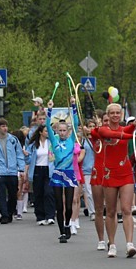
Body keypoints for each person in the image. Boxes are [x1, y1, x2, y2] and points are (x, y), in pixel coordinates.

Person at [92, 103, 136, 257]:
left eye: (117, 113)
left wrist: (134, 125)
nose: (114, 115)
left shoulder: (124, 128)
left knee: (127, 209)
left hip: (125, 172)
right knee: (111, 211)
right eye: (112, 113)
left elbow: (129, 130)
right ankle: (111, 243)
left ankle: (129, 244)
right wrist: (132, 135)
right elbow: (115, 135)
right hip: (109, 174)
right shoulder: (103, 130)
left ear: (121, 114)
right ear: (107, 114)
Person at [46, 98, 80, 243]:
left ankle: (67, 224)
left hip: (69, 174)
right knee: (59, 205)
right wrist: (48, 110)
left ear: (68, 131)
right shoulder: (54, 140)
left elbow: (76, 123)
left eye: (64, 130)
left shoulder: (72, 139)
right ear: (56, 131)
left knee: (69, 205)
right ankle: (62, 232)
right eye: (59, 130)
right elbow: (47, 126)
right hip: (57, 174)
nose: (62, 132)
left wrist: (73, 107)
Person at [0, 119, 26, 225]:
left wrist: (21, 169)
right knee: (1, 195)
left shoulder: (13, 140)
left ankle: (10, 211)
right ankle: (4, 215)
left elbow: (19, 154)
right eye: (3, 126)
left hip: (12, 171)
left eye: (6, 126)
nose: (5, 128)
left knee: (13, 194)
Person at [24, 125, 56, 225]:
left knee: (49, 192)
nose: (47, 133)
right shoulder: (33, 145)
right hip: (37, 169)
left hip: (48, 169)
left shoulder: (51, 143)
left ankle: (50, 215)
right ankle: (40, 216)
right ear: (40, 132)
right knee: (38, 193)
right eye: (46, 131)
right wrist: (26, 155)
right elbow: (28, 160)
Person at [87, 114, 108, 250]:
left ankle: (112, 240)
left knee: (111, 210)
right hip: (98, 172)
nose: (106, 122)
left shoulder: (117, 132)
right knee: (99, 208)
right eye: (104, 120)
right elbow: (86, 130)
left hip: (112, 172)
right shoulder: (96, 134)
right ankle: (101, 240)